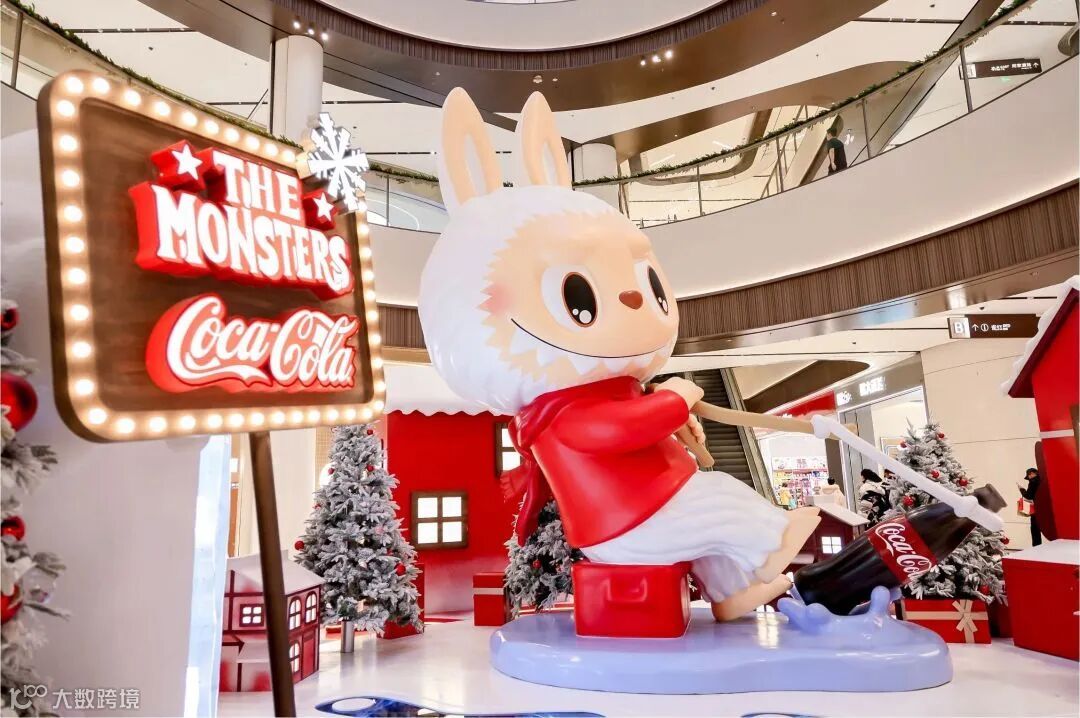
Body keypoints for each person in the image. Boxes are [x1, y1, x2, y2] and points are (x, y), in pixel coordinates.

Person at [1018, 467, 1042, 546]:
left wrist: (1022, 490)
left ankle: (1036, 547)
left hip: (1035, 509)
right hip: (1042, 508)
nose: (1030, 476)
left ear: (1033, 474)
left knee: (1035, 530)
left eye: (1030, 474)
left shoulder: (1032, 482)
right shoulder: (1042, 481)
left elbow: (1028, 496)